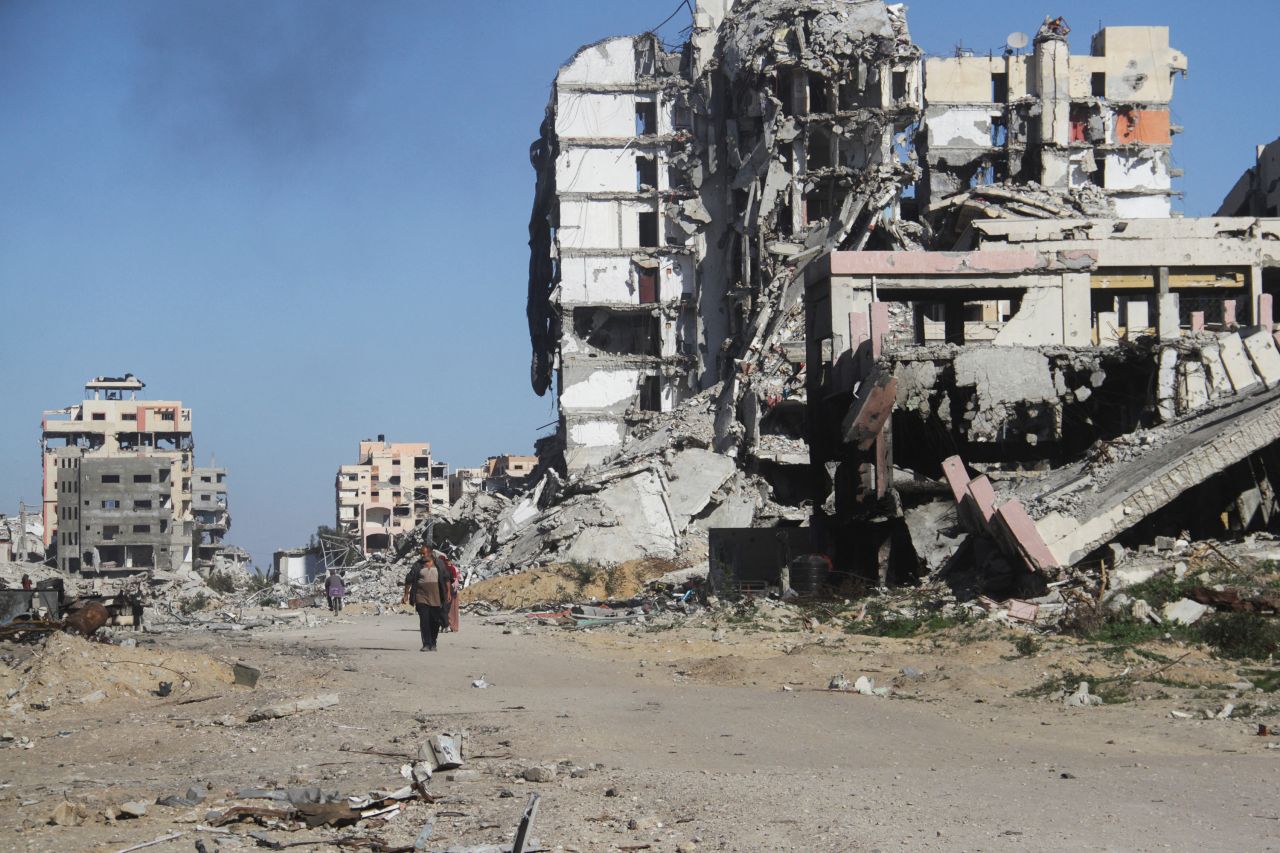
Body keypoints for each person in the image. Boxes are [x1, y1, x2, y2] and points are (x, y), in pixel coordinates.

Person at [402, 546, 452, 651]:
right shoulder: (418, 565)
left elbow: (446, 578)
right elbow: (409, 579)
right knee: (424, 621)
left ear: (430, 553)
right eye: (421, 554)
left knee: (435, 621)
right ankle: (426, 644)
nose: (422, 556)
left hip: (436, 597)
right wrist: (406, 595)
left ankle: (433, 643)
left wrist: (448, 593)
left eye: (424, 554)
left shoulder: (439, 564)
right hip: (421, 596)